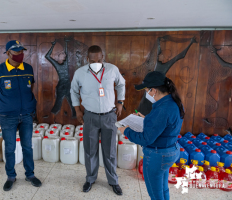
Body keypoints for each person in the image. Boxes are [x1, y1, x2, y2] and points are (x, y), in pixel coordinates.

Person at [118, 71, 184, 200]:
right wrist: (146, 119)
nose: (146, 93)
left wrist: (125, 130)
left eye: (147, 90)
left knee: (155, 195)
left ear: (153, 90)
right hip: (170, 150)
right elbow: (165, 124)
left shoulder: (162, 109)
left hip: (158, 155)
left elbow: (145, 139)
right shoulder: (173, 102)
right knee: (163, 189)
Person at [70, 45, 126, 195]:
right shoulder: (80, 73)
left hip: (109, 116)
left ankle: (113, 181)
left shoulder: (112, 69)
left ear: (103, 57)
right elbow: (73, 91)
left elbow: (121, 84)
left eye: (99, 59)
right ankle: (90, 179)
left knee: (110, 151)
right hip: (90, 116)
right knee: (90, 150)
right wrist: (77, 110)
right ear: (87, 59)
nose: (96, 61)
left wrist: (120, 102)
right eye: (92, 59)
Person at [0, 40, 42, 191]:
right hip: (8, 116)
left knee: (27, 146)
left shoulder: (28, 68)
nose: (20, 54)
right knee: (10, 148)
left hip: (26, 114)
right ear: (8, 53)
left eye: (21, 51)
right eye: (16, 52)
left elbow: (30, 88)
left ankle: (30, 175)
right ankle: (11, 176)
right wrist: (6, 102)